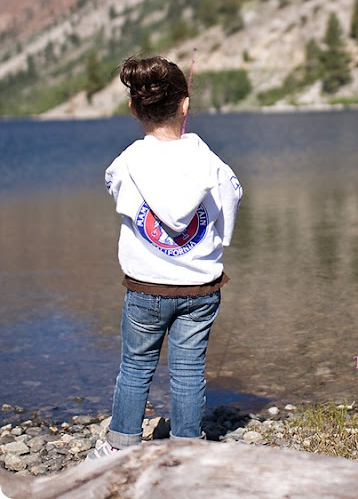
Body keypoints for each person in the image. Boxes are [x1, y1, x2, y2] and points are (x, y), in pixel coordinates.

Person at [88, 55, 242, 458]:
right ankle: (188, 449)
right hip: (200, 287)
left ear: (133, 108)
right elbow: (230, 204)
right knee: (188, 370)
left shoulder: (126, 163)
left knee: (136, 368)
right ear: (185, 105)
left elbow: (114, 188)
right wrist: (217, 239)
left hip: (146, 289)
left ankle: (120, 447)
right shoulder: (212, 164)